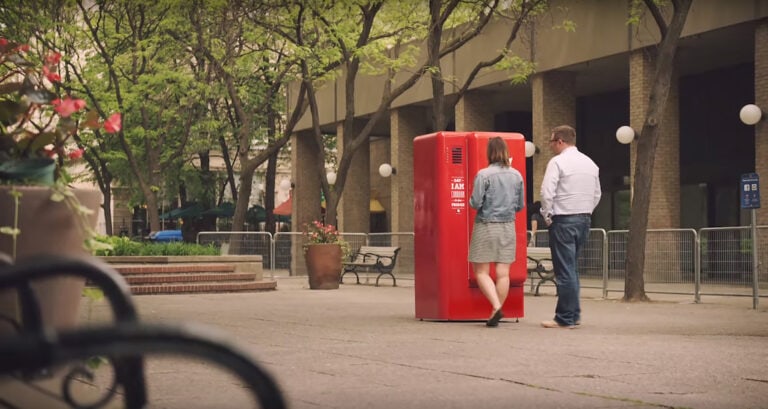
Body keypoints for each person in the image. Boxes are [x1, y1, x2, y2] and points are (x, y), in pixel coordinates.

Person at [539, 125, 601, 329]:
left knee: (564, 270)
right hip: (583, 219)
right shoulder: (590, 163)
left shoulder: (557, 162)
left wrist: (547, 215)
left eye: (551, 141)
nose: (550, 146)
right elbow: (596, 194)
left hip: (563, 219)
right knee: (572, 268)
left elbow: (547, 191)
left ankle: (565, 317)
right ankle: (573, 314)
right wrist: (586, 211)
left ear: (559, 141)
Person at [468, 137, 525, 327]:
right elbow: (520, 205)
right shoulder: (517, 175)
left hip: (486, 225)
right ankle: (495, 310)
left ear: (489, 153)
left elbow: (475, 203)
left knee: (481, 271)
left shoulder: (483, 175)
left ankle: (495, 305)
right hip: (508, 227)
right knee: (503, 273)